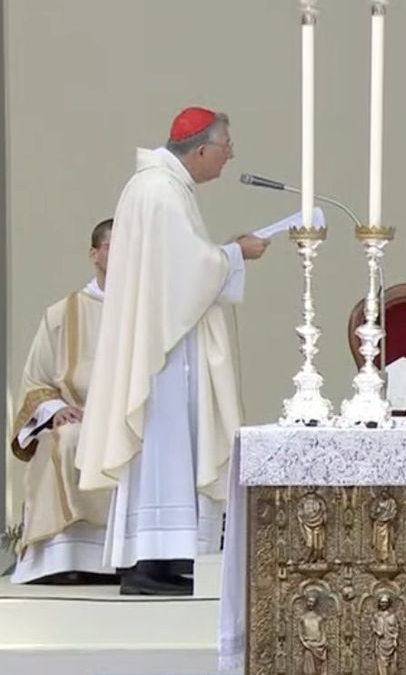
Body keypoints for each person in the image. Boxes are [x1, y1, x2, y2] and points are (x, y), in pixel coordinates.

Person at [75, 107, 270, 595]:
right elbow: (189, 272)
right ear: (201, 149)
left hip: (163, 340)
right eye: (227, 148)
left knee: (168, 450)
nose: (229, 157)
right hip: (162, 355)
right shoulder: (160, 191)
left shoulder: (159, 186)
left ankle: (162, 559)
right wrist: (234, 253)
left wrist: (219, 256)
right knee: (163, 446)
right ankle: (149, 564)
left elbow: (178, 266)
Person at [8, 219, 118, 585]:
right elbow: (35, 381)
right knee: (68, 439)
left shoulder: (147, 314)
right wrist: (57, 410)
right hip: (78, 419)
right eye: (113, 246)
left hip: (132, 421)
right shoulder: (63, 313)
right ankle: (65, 557)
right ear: (95, 254)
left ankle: (128, 559)